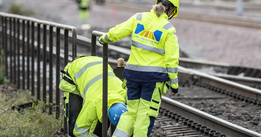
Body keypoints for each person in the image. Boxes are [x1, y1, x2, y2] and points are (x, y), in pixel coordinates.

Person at [98, 0, 180, 136]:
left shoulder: (139, 18)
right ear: (172, 10)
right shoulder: (169, 29)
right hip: (152, 81)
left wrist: (104, 38)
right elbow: (172, 60)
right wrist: (174, 84)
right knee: (144, 115)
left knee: (130, 113)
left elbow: (119, 31)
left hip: (133, 76)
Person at [59, 55, 128, 137]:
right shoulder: (93, 102)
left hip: (99, 62)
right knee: (74, 117)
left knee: (100, 123)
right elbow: (79, 131)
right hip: (76, 70)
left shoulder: (125, 94)